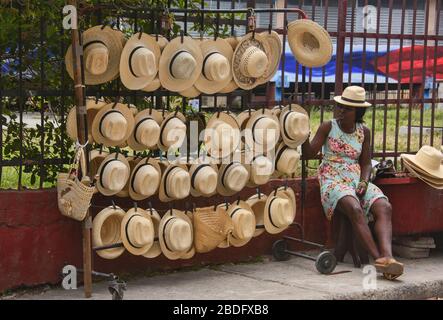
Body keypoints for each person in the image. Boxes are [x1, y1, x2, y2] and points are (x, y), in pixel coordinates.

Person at [302, 85, 404, 280]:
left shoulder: (363, 131)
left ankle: (389, 257)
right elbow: (308, 154)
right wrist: (303, 136)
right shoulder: (327, 127)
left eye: (347, 108)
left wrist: (364, 182)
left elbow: (366, 163)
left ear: (358, 111)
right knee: (355, 208)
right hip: (331, 179)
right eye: (340, 106)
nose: (341, 110)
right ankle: (380, 260)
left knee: (384, 206)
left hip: (355, 178)